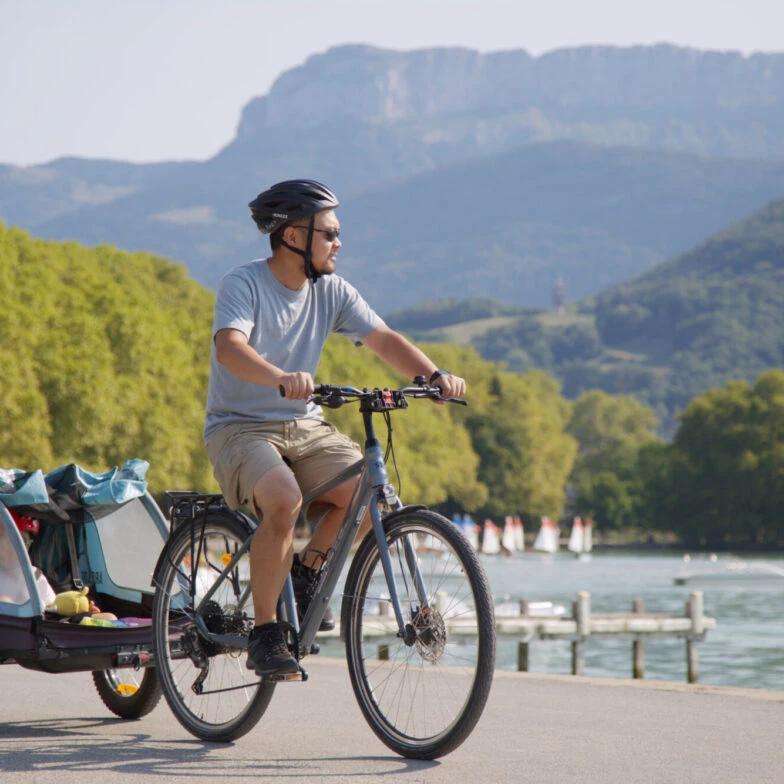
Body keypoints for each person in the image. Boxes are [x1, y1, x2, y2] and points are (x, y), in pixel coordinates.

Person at [204, 179, 466, 677]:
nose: (339, 243)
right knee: (283, 499)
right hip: (240, 428)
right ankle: (264, 634)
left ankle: (305, 574)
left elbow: (384, 338)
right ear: (294, 237)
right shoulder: (244, 283)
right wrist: (279, 377)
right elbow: (230, 348)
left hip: (303, 424)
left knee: (369, 490)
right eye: (330, 233)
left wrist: (433, 377)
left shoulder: (332, 291)